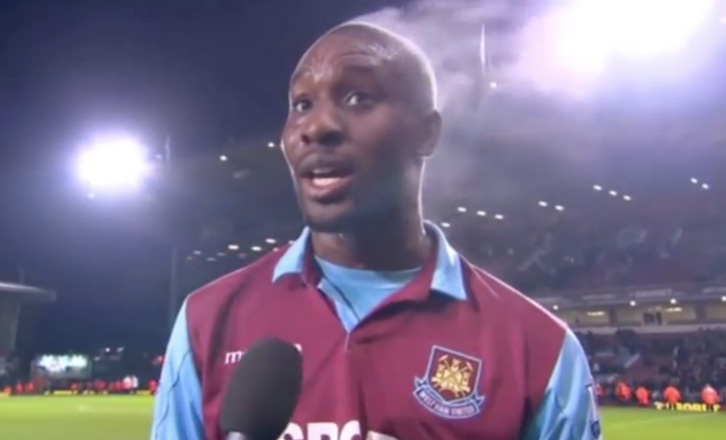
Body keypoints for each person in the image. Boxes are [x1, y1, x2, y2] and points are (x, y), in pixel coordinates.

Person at [151, 22, 600, 440]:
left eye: (358, 97)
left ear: (426, 133)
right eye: (302, 104)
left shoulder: (540, 349)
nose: (317, 126)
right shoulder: (207, 321)